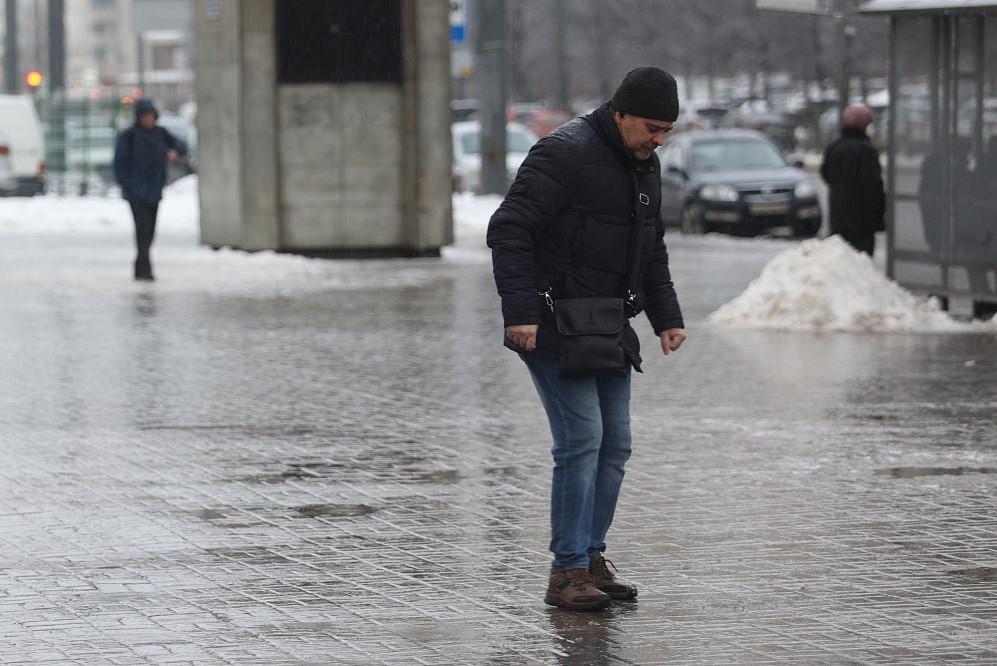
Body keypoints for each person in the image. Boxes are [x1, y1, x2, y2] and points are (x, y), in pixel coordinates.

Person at [487, 67, 686, 612]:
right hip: (552, 323)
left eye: (667, 130)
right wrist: (521, 311)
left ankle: (591, 558)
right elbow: (509, 229)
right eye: (651, 127)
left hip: (606, 324)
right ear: (620, 113)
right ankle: (566, 571)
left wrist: (667, 316)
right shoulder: (564, 153)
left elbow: (652, 246)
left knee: (615, 443)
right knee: (582, 440)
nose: (659, 139)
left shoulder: (645, 165)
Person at [113, 99, 187, 281]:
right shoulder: (129, 136)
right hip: (136, 191)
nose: (148, 120)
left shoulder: (160, 134)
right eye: (145, 116)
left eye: (151, 116)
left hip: (154, 188)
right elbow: (119, 163)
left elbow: (181, 146)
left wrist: (174, 153)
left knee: (151, 229)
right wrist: (127, 185)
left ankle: (141, 265)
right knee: (142, 228)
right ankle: (145, 268)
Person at [820, 104, 886, 255]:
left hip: (838, 217)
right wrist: (879, 215)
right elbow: (873, 186)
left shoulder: (833, 148)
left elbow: (826, 174)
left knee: (841, 260)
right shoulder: (866, 151)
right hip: (862, 221)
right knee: (861, 263)